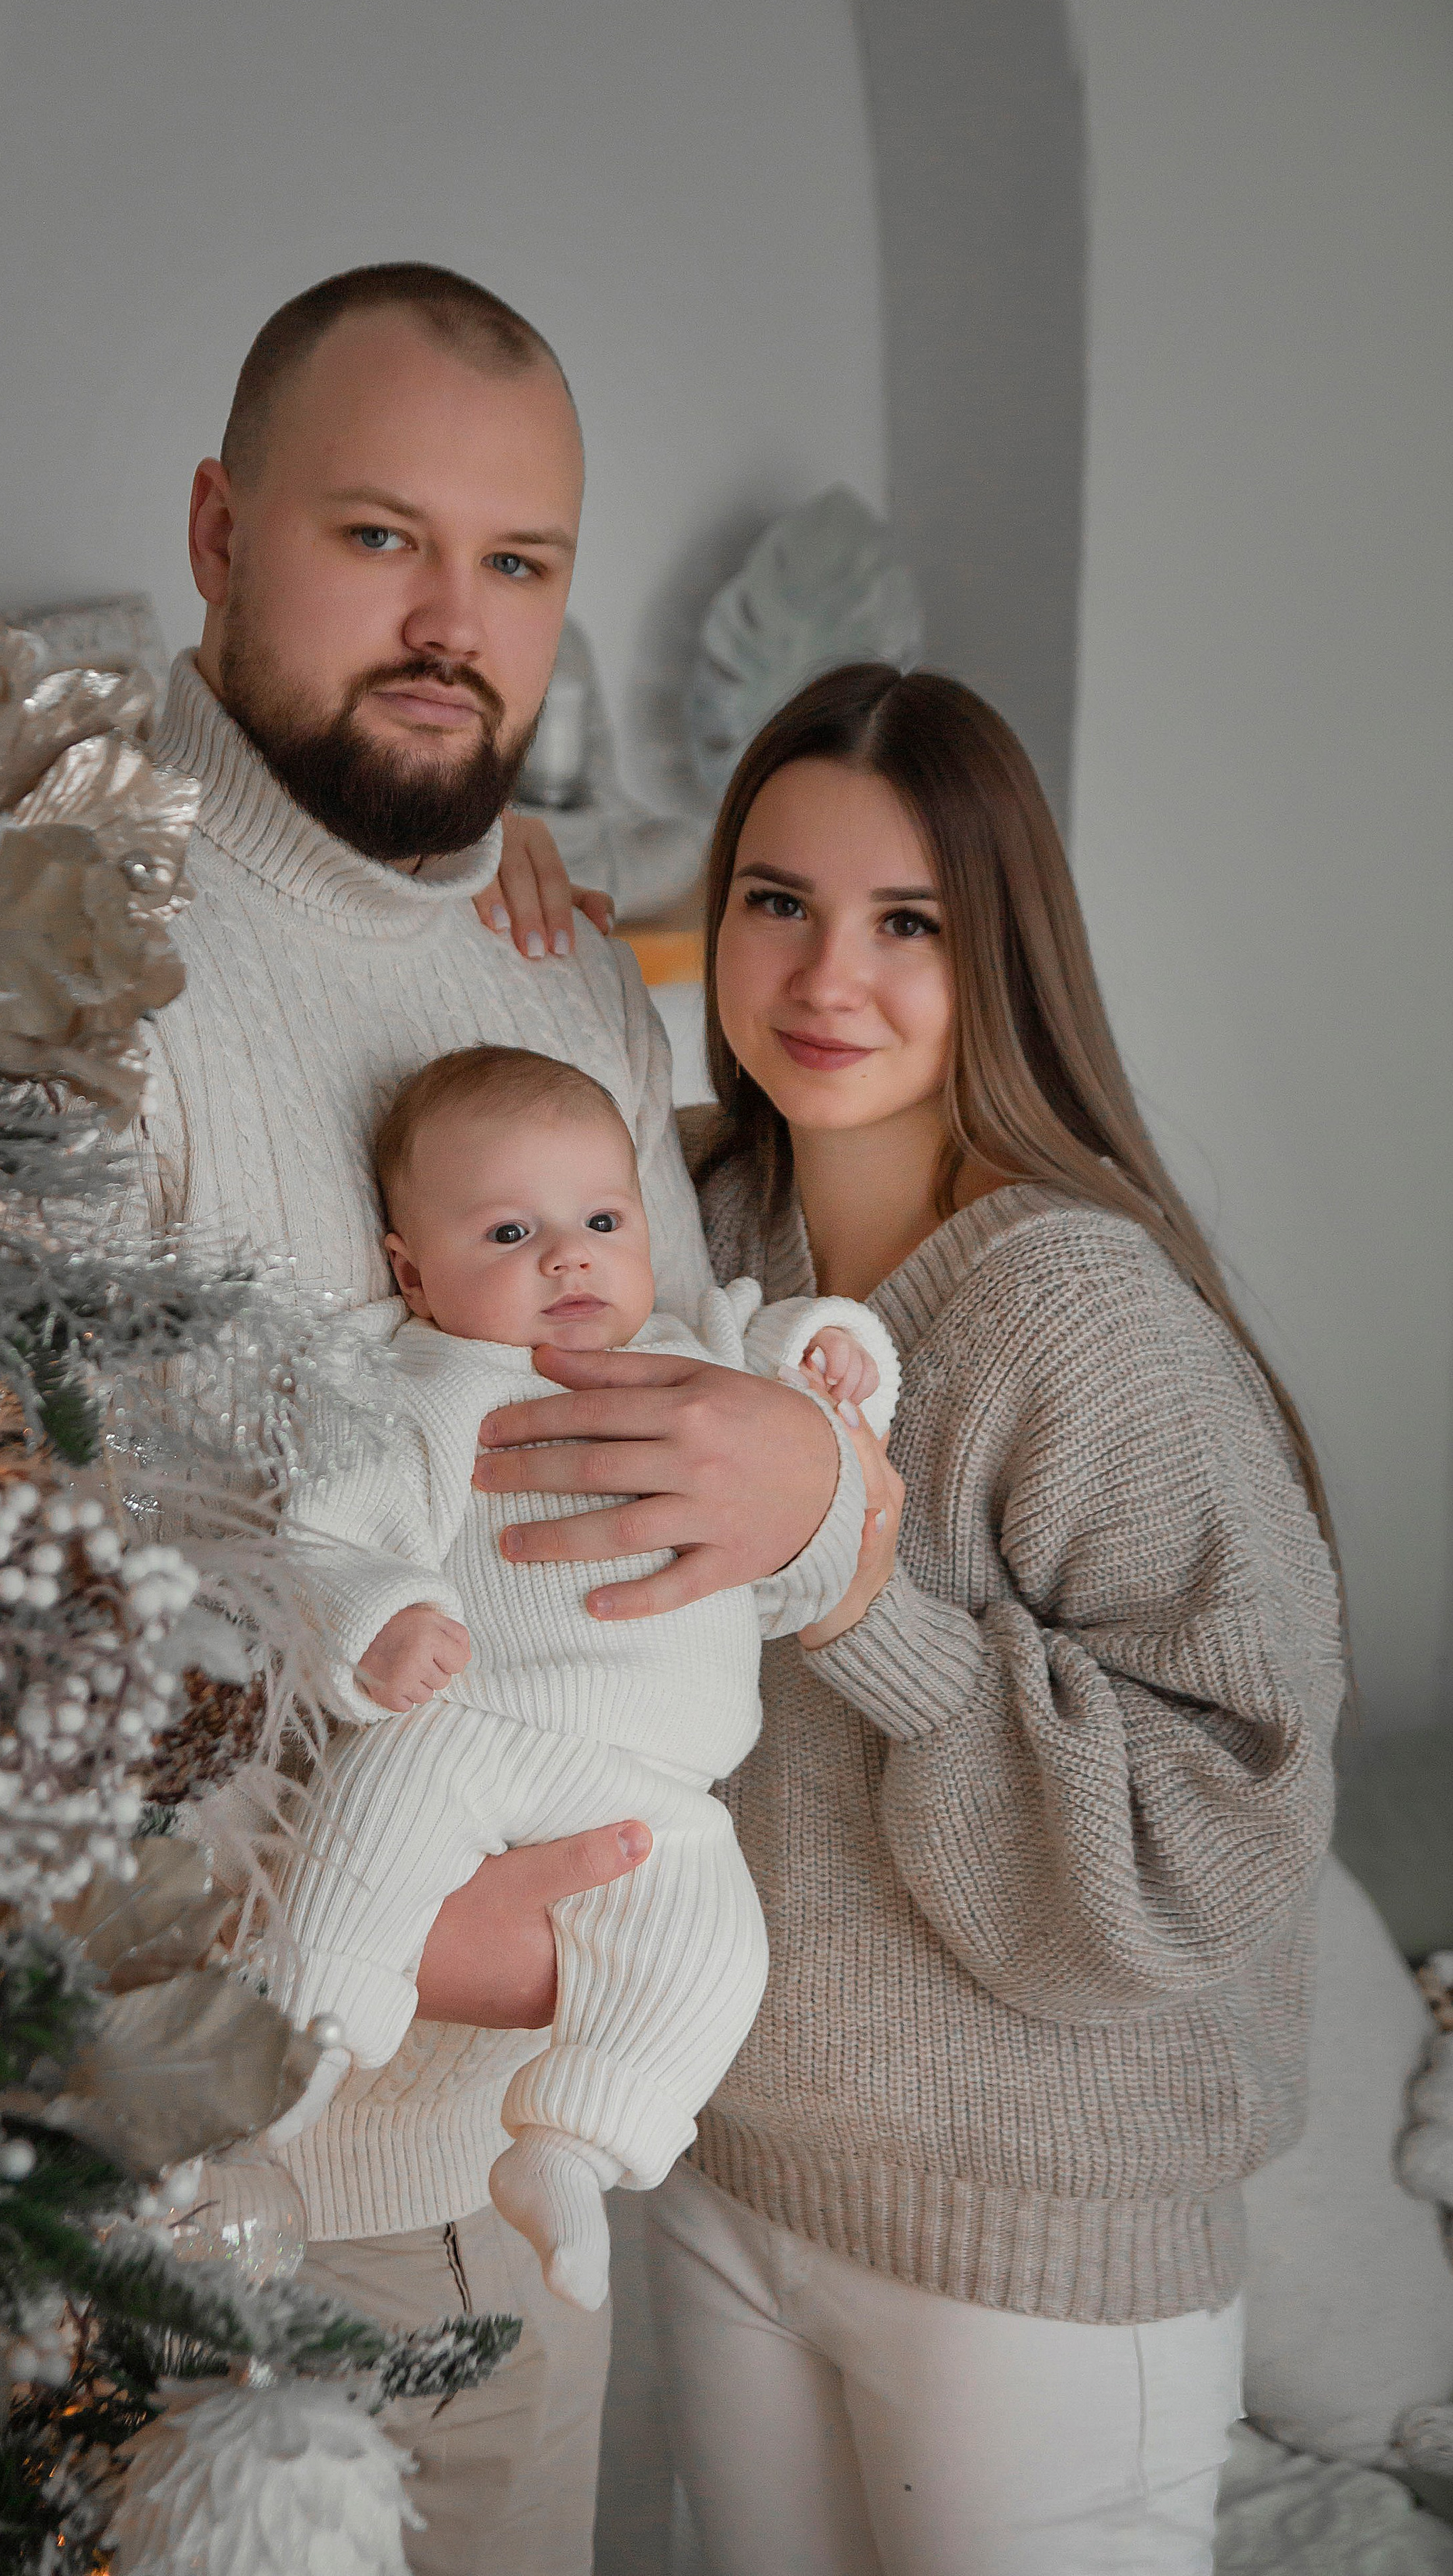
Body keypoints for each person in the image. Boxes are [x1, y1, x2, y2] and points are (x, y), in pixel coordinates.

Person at [135, 260, 879, 2574]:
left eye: (519, 563)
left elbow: (713, 1448)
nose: (452, 622)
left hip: (511, 2209)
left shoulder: (558, 955)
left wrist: (825, 1500)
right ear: (216, 530)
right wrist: (410, 1936)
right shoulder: (69, 934)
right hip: (166, 2177)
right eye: (379, 538)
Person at [582, 660, 1339, 2576]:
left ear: (1001, 951)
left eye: (908, 921)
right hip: (739, 2177)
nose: (828, 975)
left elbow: (1224, 1835)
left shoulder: (1081, 1317)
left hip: (1044, 2252)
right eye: (778, 900)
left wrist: (856, 1584)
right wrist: (509, 923)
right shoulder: (694, 1225)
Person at [266, 1044, 895, 2314]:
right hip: (473, 1726)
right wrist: (379, 1622)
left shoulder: (692, 1356)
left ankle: (570, 2147)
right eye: (511, 1230)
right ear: (412, 1269)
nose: (570, 1256)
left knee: (716, 1956)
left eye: (603, 1220)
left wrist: (835, 1359)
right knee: (355, 1862)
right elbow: (324, 1539)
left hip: (662, 1786)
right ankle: (285, 2070)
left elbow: (801, 1410)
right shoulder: (427, 1384)